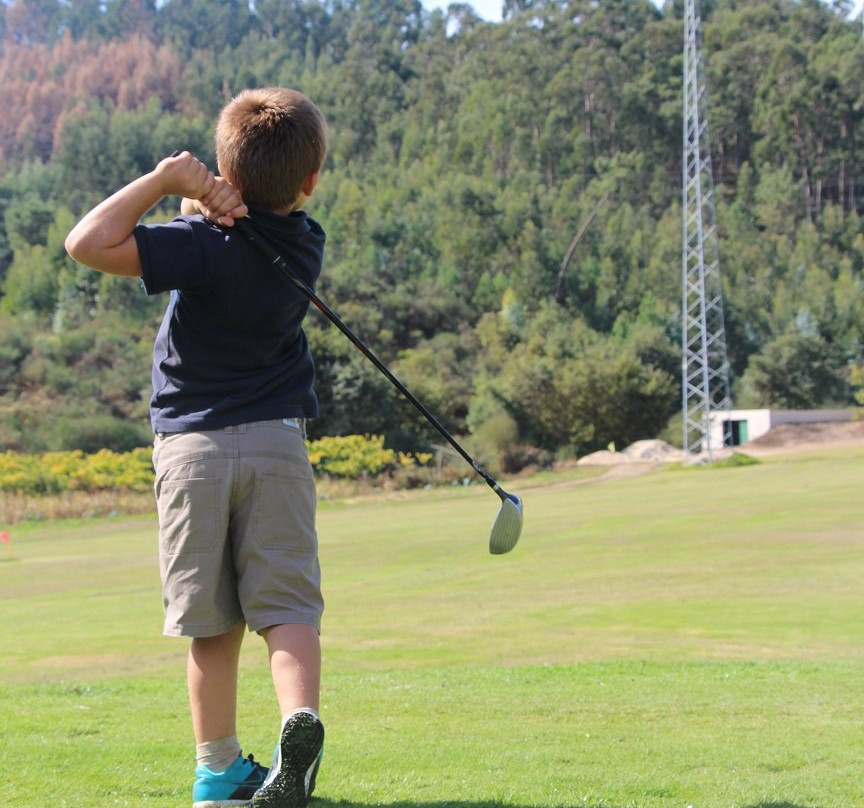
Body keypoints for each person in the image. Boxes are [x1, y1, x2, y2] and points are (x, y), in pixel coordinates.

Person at [65, 87, 328, 808]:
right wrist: (206, 204)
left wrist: (164, 181)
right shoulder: (306, 243)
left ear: (222, 173)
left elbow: (86, 243)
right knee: (287, 607)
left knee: (212, 624)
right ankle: (297, 724)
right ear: (308, 181)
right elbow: (246, 232)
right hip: (276, 440)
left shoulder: (198, 247)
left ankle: (218, 773)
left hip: (192, 450)